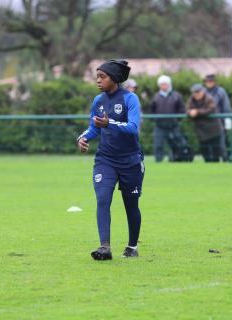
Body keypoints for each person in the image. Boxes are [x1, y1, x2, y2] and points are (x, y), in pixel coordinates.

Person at [77, 59, 144, 261]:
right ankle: (104, 246)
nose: (98, 80)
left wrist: (110, 123)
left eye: (102, 76)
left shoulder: (130, 99)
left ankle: (132, 246)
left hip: (131, 161)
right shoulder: (98, 101)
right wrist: (83, 137)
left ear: (114, 78)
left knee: (131, 205)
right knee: (103, 199)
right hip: (105, 160)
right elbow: (94, 126)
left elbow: (133, 128)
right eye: (97, 76)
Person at [150, 75, 187, 162]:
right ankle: (158, 162)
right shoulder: (156, 97)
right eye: (162, 84)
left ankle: (176, 160)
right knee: (158, 145)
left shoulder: (177, 96)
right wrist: (156, 120)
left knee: (176, 144)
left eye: (165, 84)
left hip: (174, 126)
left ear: (169, 84)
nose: (164, 86)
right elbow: (152, 110)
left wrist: (176, 120)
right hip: (160, 126)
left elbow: (182, 110)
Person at [186, 84, 223, 162]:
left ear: (202, 91)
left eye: (198, 92)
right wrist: (190, 112)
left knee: (215, 153)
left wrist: (197, 112)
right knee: (205, 152)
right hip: (201, 131)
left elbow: (210, 109)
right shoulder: (191, 100)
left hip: (214, 130)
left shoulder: (209, 99)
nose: (196, 94)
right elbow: (187, 109)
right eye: (194, 92)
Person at [204, 74, 232, 162]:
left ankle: (226, 159)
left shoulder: (221, 91)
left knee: (222, 143)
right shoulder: (203, 92)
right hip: (207, 122)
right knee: (209, 143)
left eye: (211, 81)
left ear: (215, 82)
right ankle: (212, 160)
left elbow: (226, 107)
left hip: (219, 121)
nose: (209, 83)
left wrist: (226, 119)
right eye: (207, 81)